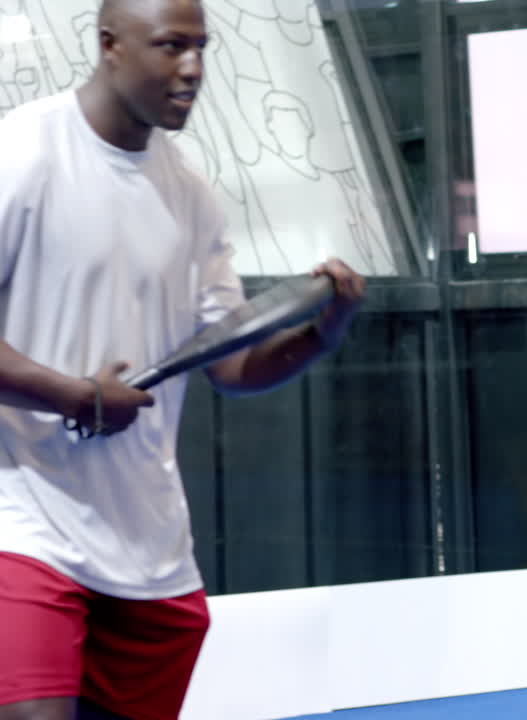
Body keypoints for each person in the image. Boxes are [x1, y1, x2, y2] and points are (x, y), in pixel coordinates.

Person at [0, 1, 365, 719]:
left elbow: (231, 368)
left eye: (201, 48)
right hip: (23, 524)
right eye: (171, 47)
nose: (192, 69)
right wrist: (72, 394)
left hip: (149, 551)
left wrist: (322, 332)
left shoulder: (191, 192)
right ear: (109, 45)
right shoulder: (23, 153)